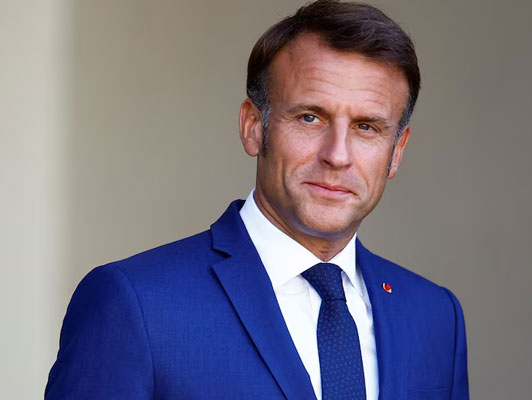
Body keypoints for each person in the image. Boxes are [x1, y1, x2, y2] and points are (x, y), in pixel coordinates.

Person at [45, 1, 469, 399]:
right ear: (253, 127)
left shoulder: (435, 318)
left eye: (366, 127)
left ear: (396, 151)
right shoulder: (134, 304)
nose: (337, 155)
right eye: (310, 117)